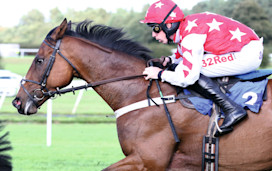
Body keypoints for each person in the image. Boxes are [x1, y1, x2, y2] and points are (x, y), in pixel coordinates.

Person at [141, 0, 263, 136]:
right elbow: (183, 54)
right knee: (184, 66)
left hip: (246, 54)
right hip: (247, 48)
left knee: (191, 71)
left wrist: (160, 74)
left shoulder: (191, 36)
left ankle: (232, 109)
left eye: (155, 28)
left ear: (169, 24)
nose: (153, 34)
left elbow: (187, 77)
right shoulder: (187, 27)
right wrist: (170, 60)